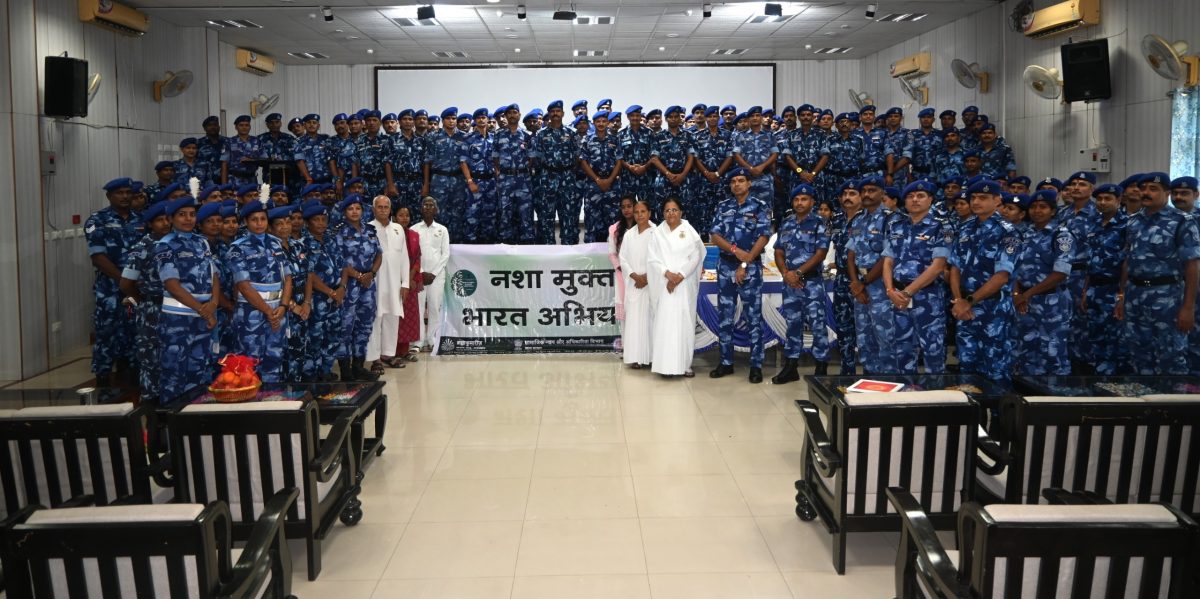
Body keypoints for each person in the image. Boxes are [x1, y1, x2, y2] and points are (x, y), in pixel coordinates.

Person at [1117, 173, 1200, 375]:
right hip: (1135, 296)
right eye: (1143, 188)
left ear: (1167, 193)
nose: (1146, 193)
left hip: (1167, 297)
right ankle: (1144, 395)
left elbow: (1192, 265)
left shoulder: (1181, 221)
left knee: (1171, 357)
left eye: (1153, 189)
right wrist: (1121, 295)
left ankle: (1173, 396)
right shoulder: (1133, 222)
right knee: (1138, 353)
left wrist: (1188, 307)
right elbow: (1128, 260)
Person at [949, 180, 1018, 386]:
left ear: (997, 201)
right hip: (964, 308)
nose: (976, 202)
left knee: (995, 367)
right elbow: (955, 268)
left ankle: (999, 407)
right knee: (967, 365)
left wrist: (968, 301)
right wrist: (959, 300)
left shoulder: (1007, 231)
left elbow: (1002, 276)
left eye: (983, 197)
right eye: (973, 198)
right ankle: (972, 406)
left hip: (994, 308)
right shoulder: (966, 228)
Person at [709, 168, 772, 383]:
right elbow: (715, 235)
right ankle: (726, 362)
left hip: (750, 268)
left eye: (741, 180)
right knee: (725, 316)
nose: (737, 184)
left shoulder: (760, 206)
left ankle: (756, 365)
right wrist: (736, 251)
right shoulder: (723, 206)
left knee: (753, 317)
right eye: (733, 181)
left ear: (749, 183)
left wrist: (744, 262)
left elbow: (763, 237)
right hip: (726, 266)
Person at [882, 179, 951, 374]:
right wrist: (890, 290)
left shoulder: (941, 227)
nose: (915, 200)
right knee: (902, 349)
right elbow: (888, 262)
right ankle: (907, 390)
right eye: (910, 196)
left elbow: (938, 266)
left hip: (927, 297)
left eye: (920, 196)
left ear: (930, 199)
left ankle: (935, 390)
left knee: (933, 350)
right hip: (898, 296)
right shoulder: (896, 225)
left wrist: (908, 292)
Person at [155, 197, 221, 400]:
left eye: (192, 214)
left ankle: (195, 413)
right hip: (178, 318)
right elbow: (172, 285)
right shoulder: (165, 245)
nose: (188, 219)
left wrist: (214, 303)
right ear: (170, 219)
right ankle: (170, 415)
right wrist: (203, 310)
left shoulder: (202, 242)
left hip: (204, 315)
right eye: (182, 215)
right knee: (174, 372)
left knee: (199, 370)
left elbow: (214, 275)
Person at [225, 200, 292, 383]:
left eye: (263, 219)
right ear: (246, 222)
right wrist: (268, 312)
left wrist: (283, 306)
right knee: (249, 362)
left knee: (274, 358)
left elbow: (287, 278)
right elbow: (244, 286)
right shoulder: (238, 248)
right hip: (251, 313)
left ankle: (271, 396)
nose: (259, 223)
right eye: (254, 219)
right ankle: (249, 399)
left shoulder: (276, 244)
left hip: (277, 310)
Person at [772, 184, 831, 383]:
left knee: (817, 324)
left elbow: (821, 253)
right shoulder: (787, 223)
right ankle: (791, 367)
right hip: (790, 283)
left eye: (804, 199)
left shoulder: (820, 223)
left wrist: (798, 273)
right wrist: (786, 273)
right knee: (793, 324)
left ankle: (821, 366)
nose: (799, 202)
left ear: (812, 202)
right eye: (796, 199)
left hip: (811, 282)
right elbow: (778, 250)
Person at [1011, 190, 1075, 375]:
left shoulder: (1061, 236)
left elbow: (1061, 273)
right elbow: (1014, 267)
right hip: (1024, 301)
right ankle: (1028, 389)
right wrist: (1017, 294)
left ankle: (1055, 391)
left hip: (1051, 302)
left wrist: (1027, 294)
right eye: (1033, 207)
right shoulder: (1024, 233)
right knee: (1025, 349)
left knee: (1053, 352)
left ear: (1053, 211)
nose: (1037, 210)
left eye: (1043, 207)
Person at [87, 178, 143, 386]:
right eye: (120, 193)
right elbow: (98, 257)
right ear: (109, 196)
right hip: (110, 289)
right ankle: (103, 381)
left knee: (134, 333)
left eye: (128, 192)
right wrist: (124, 281)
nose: (125, 196)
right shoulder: (97, 220)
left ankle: (130, 380)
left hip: (137, 289)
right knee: (107, 334)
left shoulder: (141, 220)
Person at [119, 201, 171, 401]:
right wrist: (142, 300)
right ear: (150, 224)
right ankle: (150, 404)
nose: (165, 223)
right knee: (151, 359)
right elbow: (126, 283)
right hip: (152, 309)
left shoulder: (175, 242)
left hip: (175, 307)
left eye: (167, 219)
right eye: (159, 220)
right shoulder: (143, 247)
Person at [648, 197, 705, 378]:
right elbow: (652, 258)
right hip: (664, 284)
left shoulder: (689, 231)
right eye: (667, 210)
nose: (671, 213)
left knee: (684, 323)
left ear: (681, 212)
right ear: (663, 213)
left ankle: (685, 365)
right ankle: (664, 366)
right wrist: (667, 274)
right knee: (664, 324)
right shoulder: (657, 233)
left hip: (683, 284)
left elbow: (696, 256)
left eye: (674, 210)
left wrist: (679, 276)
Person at [846, 176, 894, 374]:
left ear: (883, 193)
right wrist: (855, 283)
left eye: (872, 190)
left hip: (882, 285)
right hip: (861, 285)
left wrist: (863, 283)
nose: (866, 194)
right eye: (863, 191)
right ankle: (870, 378)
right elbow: (850, 254)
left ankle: (889, 380)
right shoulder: (858, 219)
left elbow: (887, 257)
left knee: (885, 336)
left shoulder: (891, 219)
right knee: (864, 336)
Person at [334, 195, 382, 381]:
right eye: (350, 208)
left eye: (357, 208)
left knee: (364, 325)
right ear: (345, 212)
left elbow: (379, 255)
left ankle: (358, 366)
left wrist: (372, 273)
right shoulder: (339, 232)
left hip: (368, 285)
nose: (354, 211)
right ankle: (345, 370)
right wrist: (359, 276)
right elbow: (339, 260)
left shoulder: (370, 230)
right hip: (349, 284)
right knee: (345, 326)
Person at [1083, 184, 1128, 375]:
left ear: (1118, 200)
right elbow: (1090, 260)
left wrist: (1122, 294)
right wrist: (1085, 290)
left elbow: (1127, 262)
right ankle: (1099, 379)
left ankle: (1116, 382)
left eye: (1107, 198)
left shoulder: (1126, 224)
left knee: (1115, 339)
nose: (1102, 202)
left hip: (1113, 288)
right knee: (1095, 337)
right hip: (1094, 288)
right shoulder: (1094, 223)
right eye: (1099, 199)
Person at [362, 195, 410, 373]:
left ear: (390, 209)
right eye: (379, 207)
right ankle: (375, 359)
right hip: (375, 283)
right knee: (375, 320)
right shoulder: (367, 229)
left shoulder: (398, 229)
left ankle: (388, 354)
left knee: (392, 317)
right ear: (373, 209)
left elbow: (404, 257)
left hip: (394, 283)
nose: (383, 210)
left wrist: (405, 283)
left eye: (386, 207)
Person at [268, 205, 312, 382]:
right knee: (282, 355)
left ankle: (297, 389)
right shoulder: (269, 250)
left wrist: (307, 303)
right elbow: (277, 283)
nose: (285, 227)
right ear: (270, 228)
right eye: (280, 224)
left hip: (303, 308)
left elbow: (308, 275)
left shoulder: (298, 246)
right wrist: (292, 306)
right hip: (282, 309)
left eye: (287, 222)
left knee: (299, 351)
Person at [302, 202, 345, 381]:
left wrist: (341, 288)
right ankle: (313, 376)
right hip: (317, 299)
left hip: (336, 297)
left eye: (323, 219)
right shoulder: (304, 243)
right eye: (316, 220)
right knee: (315, 338)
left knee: (333, 336)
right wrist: (331, 292)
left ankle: (326, 371)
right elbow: (309, 275)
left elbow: (343, 266)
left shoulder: (330, 240)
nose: (321, 223)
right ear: (307, 223)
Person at [532, 100, 581, 244]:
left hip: (567, 179)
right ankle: (548, 248)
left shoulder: (571, 133)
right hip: (548, 178)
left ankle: (568, 247)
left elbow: (577, 156)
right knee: (547, 216)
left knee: (568, 215)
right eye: (552, 111)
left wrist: (567, 170)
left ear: (563, 113)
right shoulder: (541, 134)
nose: (555, 114)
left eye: (558, 111)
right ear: (549, 114)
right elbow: (537, 158)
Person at [619, 201, 655, 369]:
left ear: (649, 213)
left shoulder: (656, 233)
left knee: (650, 320)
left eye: (643, 211)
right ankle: (635, 358)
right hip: (634, 284)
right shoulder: (629, 234)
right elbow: (623, 258)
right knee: (634, 321)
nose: (639, 215)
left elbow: (660, 258)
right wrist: (635, 276)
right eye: (636, 212)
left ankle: (652, 357)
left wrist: (647, 277)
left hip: (651, 284)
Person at [493, 104, 535, 244]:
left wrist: (521, 169)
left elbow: (531, 158)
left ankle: (527, 246)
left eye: (514, 112)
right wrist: (505, 170)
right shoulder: (498, 135)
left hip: (523, 180)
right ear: (505, 116)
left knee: (525, 214)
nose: (512, 115)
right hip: (505, 179)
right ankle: (506, 246)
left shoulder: (527, 135)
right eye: (509, 113)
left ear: (519, 115)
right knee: (505, 213)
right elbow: (495, 157)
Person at [424, 107, 468, 242]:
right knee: (439, 212)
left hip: (458, 180)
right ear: (443, 121)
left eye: (454, 118)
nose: (451, 121)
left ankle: (456, 245)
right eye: (448, 119)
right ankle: (439, 243)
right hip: (439, 180)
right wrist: (426, 184)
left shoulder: (464, 136)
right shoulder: (433, 136)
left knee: (458, 213)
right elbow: (427, 161)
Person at [580, 111, 624, 243]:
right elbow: (583, 162)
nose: (601, 124)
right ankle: (591, 250)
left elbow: (619, 161)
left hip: (612, 185)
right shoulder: (587, 139)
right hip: (593, 184)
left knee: (613, 220)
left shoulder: (615, 139)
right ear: (593, 123)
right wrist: (597, 180)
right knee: (592, 219)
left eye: (604, 121)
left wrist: (610, 180)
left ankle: (613, 249)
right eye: (598, 121)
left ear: (608, 123)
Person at [413, 197, 450, 351]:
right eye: (425, 205)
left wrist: (433, 273)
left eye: (431, 205)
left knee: (435, 307)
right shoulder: (414, 229)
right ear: (421, 209)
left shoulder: (442, 229)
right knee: (418, 308)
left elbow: (445, 254)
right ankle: (418, 341)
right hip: (418, 276)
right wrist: (421, 272)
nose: (428, 207)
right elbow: (412, 254)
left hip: (437, 276)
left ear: (436, 209)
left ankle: (432, 339)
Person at [691, 106, 734, 236]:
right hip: (703, 180)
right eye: (709, 116)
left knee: (723, 211)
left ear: (718, 118)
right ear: (706, 118)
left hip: (722, 180)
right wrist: (706, 173)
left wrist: (718, 173)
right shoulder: (697, 136)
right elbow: (695, 158)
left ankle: (723, 240)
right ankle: (704, 240)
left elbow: (730, 156)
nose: (712, 119)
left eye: (715, 116)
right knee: (703, 213)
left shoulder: (727, 135)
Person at [460, 108, 498, 244]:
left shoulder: (494, 138)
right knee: (472, 215)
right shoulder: (468, 139)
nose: (482, 120)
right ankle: (470, 247)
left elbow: (497, 159)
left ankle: (487, 246)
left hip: (491, 182)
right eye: (479, 118)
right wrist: (470, 181)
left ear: (488, 120)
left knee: (490, 215)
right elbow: (463, 162)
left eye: (484, 118)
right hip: (475, 180)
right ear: (475, 121)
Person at [732, 106, 779, 210]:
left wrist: (762, 167)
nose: (755, 118)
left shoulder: (770, 135)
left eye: (757, 115)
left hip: (765, 178)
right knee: (746, 209)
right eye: (752, 116)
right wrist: (750, 168)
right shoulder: (740, 136)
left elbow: (775, 154)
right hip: (746, 179)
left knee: (766, 209)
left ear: (761, 118)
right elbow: (736, 154)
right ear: (748, 119)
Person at [393, 205, 424, 362]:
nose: (404, 218)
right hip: (392, 281)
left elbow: (417, 259)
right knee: (395, 317)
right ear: (394, 217)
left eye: (407, 215)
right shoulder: (391, 233)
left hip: (410, 282)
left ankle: (404, 351)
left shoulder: (414, 235)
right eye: (401, 215)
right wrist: (399, 279)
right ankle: (391, 352)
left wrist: (409, 278)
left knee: (409, 317)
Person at [386, 109, 427, 219]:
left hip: (416, 183)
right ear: (399, 122)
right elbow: (388, 163)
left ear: (414, 122)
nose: (408, 122)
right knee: (397, 215)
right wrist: (390, 184)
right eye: (405, 119)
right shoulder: (392, 140)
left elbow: (425, 164)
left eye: (410, 119)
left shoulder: (421, 140)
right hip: (398, 182)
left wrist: (425, 184)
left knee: (416, 215)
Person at [607, 196, 636, 325]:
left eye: (629, 206)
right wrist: (621, 267)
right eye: (623, 207)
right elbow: (612, 254)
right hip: (622, 274)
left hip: (641, 273)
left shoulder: (643, 226)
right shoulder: (615, 229)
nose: (626, 210)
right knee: (626, 313)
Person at [222, 115, 264, 186]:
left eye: (247, 125)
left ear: (250, 127)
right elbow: (224, 164)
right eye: (241, 125)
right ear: (236, 127)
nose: (244, 127)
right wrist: (224, 185)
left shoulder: (257, 141)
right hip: (234, 180)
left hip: (251, 180)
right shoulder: (229, 142)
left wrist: (252, 160)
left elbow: (264, 160)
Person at [197, 116, 227, 184]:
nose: (213, 127)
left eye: (215, 125)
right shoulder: (198, 143)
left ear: (219, 127)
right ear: (204, 128)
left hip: (224, 180)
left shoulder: (227, 142)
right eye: (209, 125)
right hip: (204, 181)